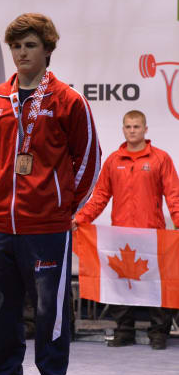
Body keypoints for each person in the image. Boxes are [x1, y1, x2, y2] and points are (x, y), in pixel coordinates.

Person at [0, 13, 100, 375]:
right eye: (16, 47)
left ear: (47, 50)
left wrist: (62, 207)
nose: (21, 53)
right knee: (0, 311)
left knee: (50, 316)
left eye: (29, 46)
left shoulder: (67, 100)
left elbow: (89, 160)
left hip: (47, 228)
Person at [73, 110, 179, 350]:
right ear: (123, 130)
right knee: (119, 287)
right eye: (128, 127)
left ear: (145, 129)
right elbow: (100, 196)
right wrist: (80, 218)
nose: (132, 131)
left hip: (152, 235)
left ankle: (158, 333)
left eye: (137, 127)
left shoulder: (160, 159)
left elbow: (174, 195)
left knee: (157, 287)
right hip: (120, 235)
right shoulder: (113, 160)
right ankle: (124, 331)